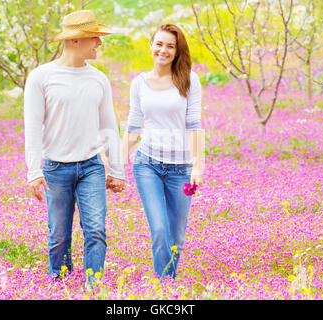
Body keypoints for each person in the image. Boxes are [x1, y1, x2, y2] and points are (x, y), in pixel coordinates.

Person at [24, 10, 125, 282]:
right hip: (55, 168)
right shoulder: (41, 77)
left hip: (92, 166)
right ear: (76, 40)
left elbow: (109, 127)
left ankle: (94, 287)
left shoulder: (98, 79)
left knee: (96, 230)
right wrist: (34, 172)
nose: (99, 43)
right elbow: (32, 127)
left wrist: (117, 170)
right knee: (58, 235)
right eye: (95, 37)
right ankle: (61, 284)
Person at [122, 24, 203, 279]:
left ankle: (168, 282)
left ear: (177, 51)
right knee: (159, 229)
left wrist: (198, 166)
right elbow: (133, 128)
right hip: (147, 165)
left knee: (176, 235)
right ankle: (165, 288)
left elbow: (194, 125)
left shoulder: (189, 79)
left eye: (170, 46)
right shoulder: (139, 83)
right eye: (159, 44)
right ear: (151, 46)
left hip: (181, 168)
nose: (163, 50)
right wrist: (115, 165)